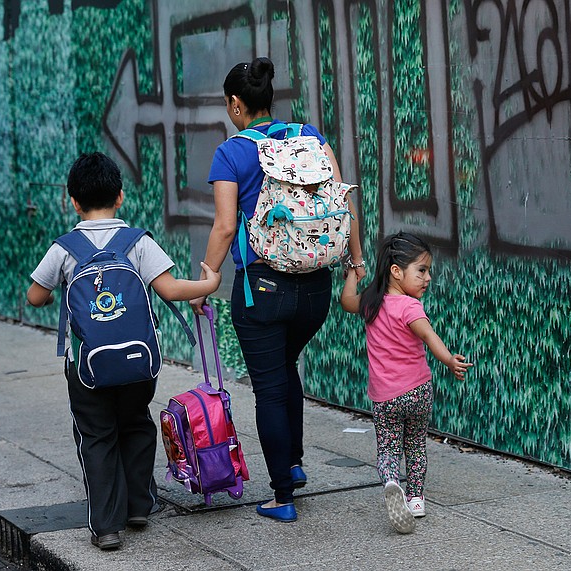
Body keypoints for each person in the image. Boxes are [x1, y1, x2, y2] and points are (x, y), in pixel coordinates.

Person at [190, 56, 365, 523]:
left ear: (235, 104)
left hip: (262, 291)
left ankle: (282, 495)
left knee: (268, 387)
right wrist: (357, 261)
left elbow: (226, 228)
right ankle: (293, 462)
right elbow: (342, 201)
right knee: (286, 368)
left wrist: (205, 281)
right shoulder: (310, 138)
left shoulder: (231, 153)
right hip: (316, 289)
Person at [26, 152, 220, 550]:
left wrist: (54, 294)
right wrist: (209, 284)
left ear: (74, 201)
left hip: (86, 367)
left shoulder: (64, 248)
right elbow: (170, 289)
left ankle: (106, 526)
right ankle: (139, 505)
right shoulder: (137, 241)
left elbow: (34, 296)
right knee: (135, 422)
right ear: (120, 196)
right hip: (138, 362)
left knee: (96, 435)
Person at [340, 231, 472, 534]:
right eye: (422, 270)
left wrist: (352, 275)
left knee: (388, 448)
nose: (427, 278)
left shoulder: (371, 303)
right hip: (418, 392)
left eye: (428, 272)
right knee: (415, 446)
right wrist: (449, 359)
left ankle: (390, 481)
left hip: (385, 396)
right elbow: (429, 336)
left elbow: (347, 301)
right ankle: (415, 498)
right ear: (396, 271)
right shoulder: (410, 307)